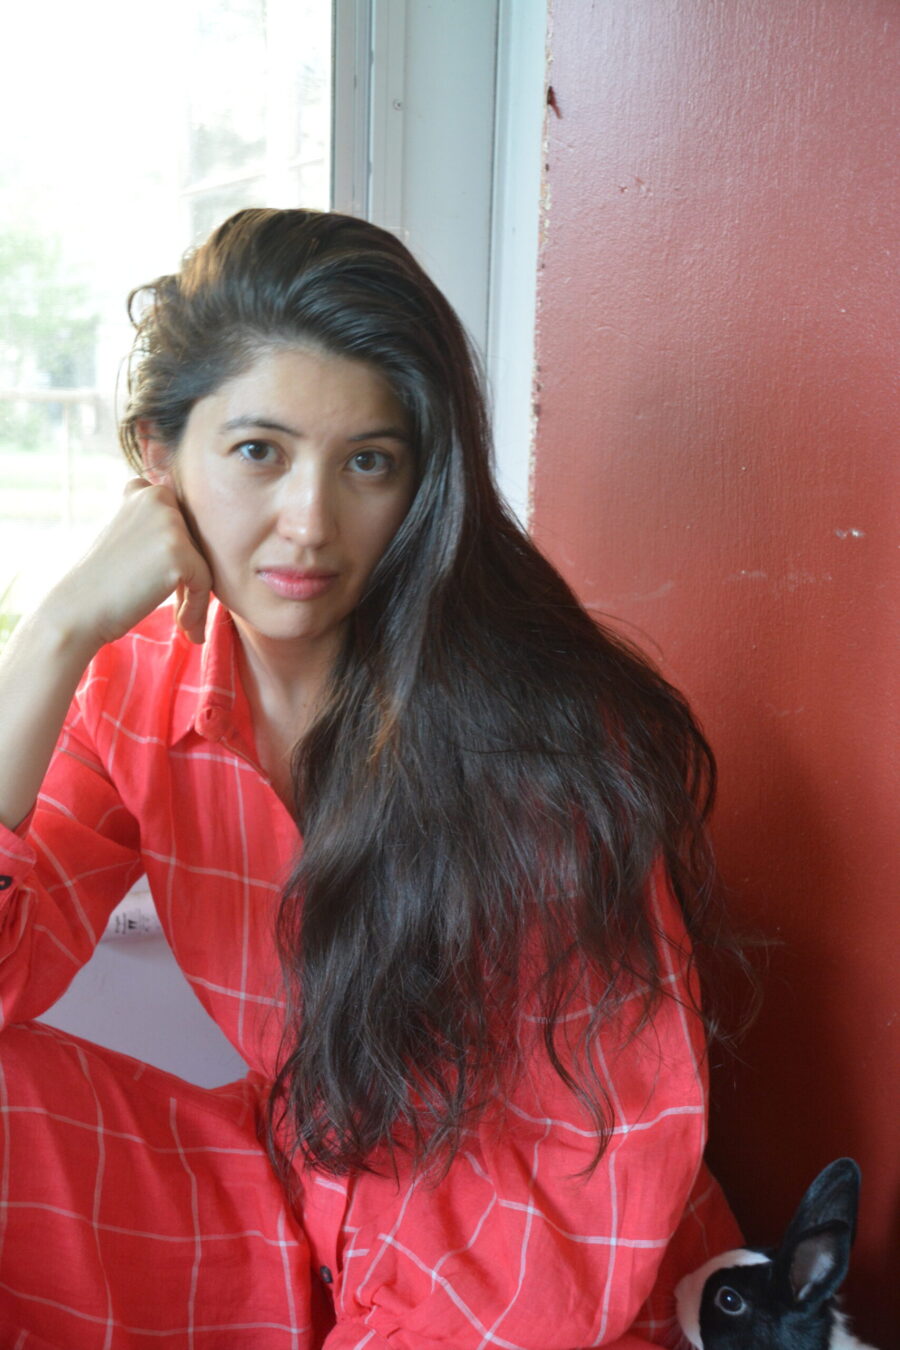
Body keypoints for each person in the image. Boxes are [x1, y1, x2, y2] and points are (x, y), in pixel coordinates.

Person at [0, 208, 744, 1349]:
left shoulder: (533, 736)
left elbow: (562, 1198)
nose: (310, 524)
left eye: (368, 463)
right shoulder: (129, 685)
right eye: (258, 452)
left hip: (522, 1283)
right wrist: (49, 636)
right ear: (159, 457)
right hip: (292, 1219)